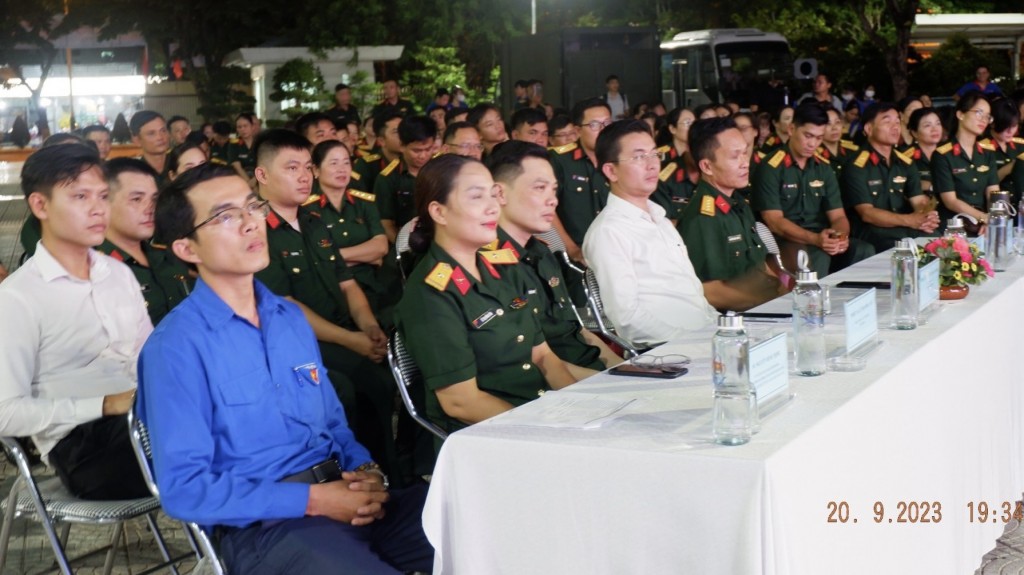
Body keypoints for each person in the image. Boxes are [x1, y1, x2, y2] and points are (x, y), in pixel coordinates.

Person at [138, 164, 433, 574]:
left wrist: (367, 472)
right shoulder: (175, 348)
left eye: (252, 207)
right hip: (269, 529)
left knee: (474, 523)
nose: (250, 224)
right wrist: (315, 501)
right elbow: (185, 491)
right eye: (226, 216)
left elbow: (335, 424)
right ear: (188, 249)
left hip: (343, 494)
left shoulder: (288, 318)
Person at [0, 143, 150, 500]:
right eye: (81, 196)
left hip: (145, 422)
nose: (98, 209)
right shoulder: (18, 297)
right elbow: (5, 413)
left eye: (102, 196)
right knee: (215, 454)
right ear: (40, 205)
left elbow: (150, 357)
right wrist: (104, 403)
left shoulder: (118, 274)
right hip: (84, 449)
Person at [394, 154, 578, 438]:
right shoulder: (430, 294)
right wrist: (544, 430)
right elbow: (461, 402)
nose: (493, 207)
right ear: (439, 212)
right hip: (487, 437)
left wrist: (579, 410)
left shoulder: (504, 266)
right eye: (477, 197)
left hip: (540, 416)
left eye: (494, 195)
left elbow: (543, 356)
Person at [251, 129, 400, 479]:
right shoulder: (257, 230)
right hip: (296, 342)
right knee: (350, 387)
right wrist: (353, 341)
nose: (304, 176)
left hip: (341, 332)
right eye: (291, 168)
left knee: (381, 380)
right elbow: (286, 306)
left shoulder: (314, 222)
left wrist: (369, 328)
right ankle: (353, 476)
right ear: (262, 175)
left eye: (307, 167)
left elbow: (348, 285)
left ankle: (389, 475)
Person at [486, 141, 621, 373]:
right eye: (539, 188)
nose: (553, 200)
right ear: (499, 194)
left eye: (553, 189)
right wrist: (613, 381)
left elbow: (576, 330)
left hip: (590, 372)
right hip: (557, 387)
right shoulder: (488, 265)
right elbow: (534, 362)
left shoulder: (543, 253)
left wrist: (626, 370)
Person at [582, 120, 715, 345]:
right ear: (611, 171)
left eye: (654, 154)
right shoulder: (608, 232)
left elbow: (693, 295)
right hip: (668, 353)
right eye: (638, 157)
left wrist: (720, 328)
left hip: (704, 337)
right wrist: (694, 342)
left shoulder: (661, 219)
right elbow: (627, 319)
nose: (652, 165)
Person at [752, 102, 873, 277]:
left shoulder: (823, 167)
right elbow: (774, 221)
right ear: (792, 129)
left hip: (821, 237)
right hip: (785, 241)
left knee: (863, 250)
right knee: (817, 256)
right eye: (808, 135)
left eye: (818, 138)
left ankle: (854, 302)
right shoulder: (771, 167)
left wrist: (839, 237)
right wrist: (816, 240)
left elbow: (838, 216)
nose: (813, 144)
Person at [678, 117, 785, 311]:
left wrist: (786, 296)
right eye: (735, 156)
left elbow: (759, 265)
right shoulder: (703, 219)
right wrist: (770, 307)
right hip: (738, 320)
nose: (745, 163)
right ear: (707, 166)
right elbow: (710, 292)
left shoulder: (738, 203)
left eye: (745, 153)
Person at [97, 157, 193, 324]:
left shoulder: (167, 255)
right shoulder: (95, 270)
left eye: (154, 199)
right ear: (104, 203)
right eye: (136, 199)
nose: (150, 209)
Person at [840, 103, 940, 253]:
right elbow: (866, 213)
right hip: (870, 229)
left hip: (902, 225)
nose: (895, 127)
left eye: (897, 122)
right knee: (905, 247)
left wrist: (926, 215)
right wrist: (910, 220)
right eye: (887, 122)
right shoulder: (856, 165)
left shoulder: (905, 162)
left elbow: (918, 199)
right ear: (868, 129)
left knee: (937, 238)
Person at [309, 140, 391, 316]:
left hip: (372, 287)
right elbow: (312, 261)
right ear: (316, 170)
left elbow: (381, 248)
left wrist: (332, 256)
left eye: (346, 162)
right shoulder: (305, 209)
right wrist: (365, 256)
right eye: (334, 163)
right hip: (330, 291)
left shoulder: (365, 203)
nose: (342, 169)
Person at [549, 98, 612, 265]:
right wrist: (571, 248)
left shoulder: (619, 159)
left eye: (607, 123)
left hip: (615, 249)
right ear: (577, 131)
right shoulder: (560, 160)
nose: (603, 130)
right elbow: (548, 208)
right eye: (594, 125)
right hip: (576, 253)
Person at [932, 93, 1000, 233]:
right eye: (979, 113)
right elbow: (950, 201)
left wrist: (991, 220)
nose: (984, 120)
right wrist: (983, 217)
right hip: (954, 226)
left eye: (988, 116)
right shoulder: (943, 155)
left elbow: (993, 192)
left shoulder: (987, 153)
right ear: (960, 115)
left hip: (983, 225)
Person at [375, 115, 438, 243]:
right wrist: (403, 248)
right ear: (402, 145)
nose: (423, 155)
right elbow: (385, 223)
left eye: (428, 149)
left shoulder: (443, 169)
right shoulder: (387, 178)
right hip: (407, 242)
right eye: (416, 150)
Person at [652, 107, 698, 223]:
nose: (692, 127)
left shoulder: (700, 155)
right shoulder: (660, 155)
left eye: (695, 123)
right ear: (673, 129)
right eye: (687, 123)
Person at [353, 109, 404, 193]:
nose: (404, 135)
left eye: (405, 130)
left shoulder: (413, 160)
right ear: (381, 141)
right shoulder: (365, 165)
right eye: (396, 132)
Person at [982, 97, 1023, 199]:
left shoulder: (1021, 145)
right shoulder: (981, 149)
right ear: (992, 123)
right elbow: (978, 185)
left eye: (1014, 126)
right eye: (1006, 126)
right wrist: (1011, 167)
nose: (1010, 132)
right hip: (996, 206)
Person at [903, 107, 944, 196]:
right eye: (927, 125)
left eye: (938, 123)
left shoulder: (949, 153)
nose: (935, 129)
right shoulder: (906, 158)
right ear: (914, 133)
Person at [130, 110, 172, 186]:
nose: (160, 137)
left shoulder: (180, 165)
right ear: (137, 140)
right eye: (151, 133)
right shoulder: (133, 173)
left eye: (163, 131)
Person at [229, 112, 260, 188]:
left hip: (260, 179)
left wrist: (255, 180)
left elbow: (266, 164)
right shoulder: (233, 144)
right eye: (239, 127)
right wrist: (249, 184)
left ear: (252, 126)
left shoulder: (261, 142)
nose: (242, 129)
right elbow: (237, 166)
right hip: (242, 181)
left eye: (245, 126)